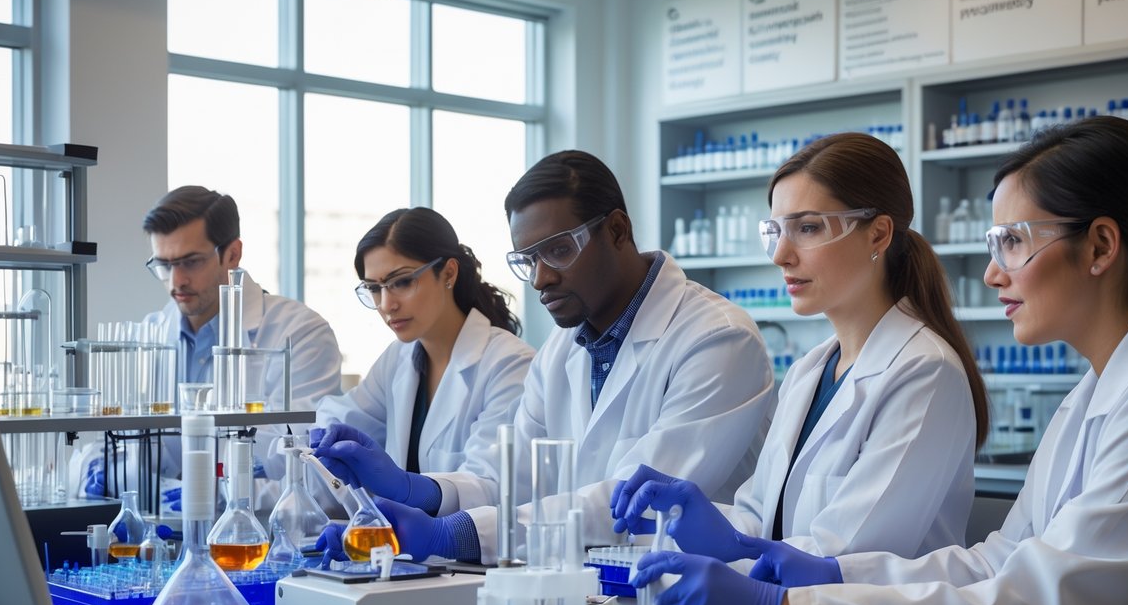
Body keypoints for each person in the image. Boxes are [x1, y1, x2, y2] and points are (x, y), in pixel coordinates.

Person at [632, 116, 1128, 605]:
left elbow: (1039, 602)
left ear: (1100, 245)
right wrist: (831, 573)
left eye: (1014, 242)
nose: (994, 273)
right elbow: (998, 561)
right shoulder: (1092, 394)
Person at [314, 150, 774, 564]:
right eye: (527, 260)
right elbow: (508, 482)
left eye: (558, 250)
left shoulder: (717, 339)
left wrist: (452, 534)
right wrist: (417, 490)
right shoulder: (561, 353)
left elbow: (636, 499)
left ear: (617, 230)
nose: (540, 278)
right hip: (590, 594)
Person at [612, 132, 988, 562]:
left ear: (878, 234)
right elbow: (761, 517)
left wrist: (737, 550)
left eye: (807, 228)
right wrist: (683, 517)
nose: (781, 255)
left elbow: (847, 559)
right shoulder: (810, 370)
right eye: (776, 231)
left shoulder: (927, 373)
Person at [77, 186, 343, 501]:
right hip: (159, 534)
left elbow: (312, 475)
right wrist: (102, 470)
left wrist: (217, 496)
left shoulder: (300, 334)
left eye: (190, 262)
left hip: (257, 541)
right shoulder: (148, 335)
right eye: (164, 265)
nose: (176, 281)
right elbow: (103, 448)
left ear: (232, 254)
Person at [309, 207, 534, 516]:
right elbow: (344, 416)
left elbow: (491, 489)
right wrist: (325, 441)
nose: (387, 305)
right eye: (374, 288)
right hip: (407, 557)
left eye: (401, 282)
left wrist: (407, 487)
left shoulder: (508, 364)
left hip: (473, 558)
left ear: (449, 273)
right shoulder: (398, 358)